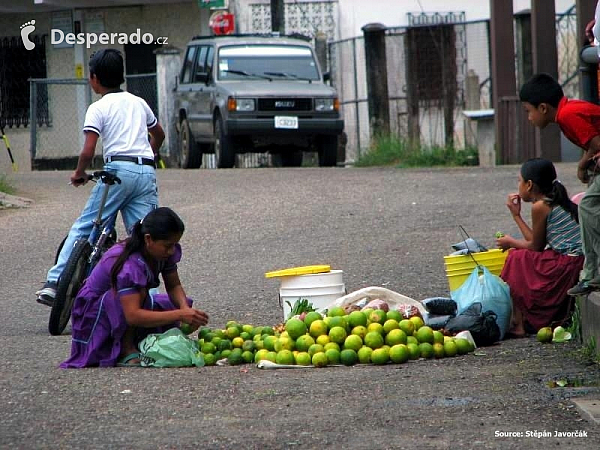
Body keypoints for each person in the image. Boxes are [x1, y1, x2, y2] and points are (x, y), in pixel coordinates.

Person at [36, 48, 165, 306]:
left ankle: (55, 281)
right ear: (122, 76)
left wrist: (79, 173)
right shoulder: (139, 102)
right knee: (143, 236)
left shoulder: (98, 107)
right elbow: (158, 134)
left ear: (94, 78)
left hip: (117, 172)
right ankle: (151, 302)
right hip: (146, 172)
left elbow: (88, 150)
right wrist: (147, 157)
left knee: (86, 226)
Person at [60, 207, 209, 368]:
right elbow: (133, 316)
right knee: (143, 295)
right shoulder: (127, 265)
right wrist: (179, 314)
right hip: (95, 310)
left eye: (175, 245)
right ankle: (126, 349)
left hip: (131, 302)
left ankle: (139, 339)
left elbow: (174, 285)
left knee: (173, 303)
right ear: (148, 239)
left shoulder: (161, 252)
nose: (172, 250)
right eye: (167, 246)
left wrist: (184, 309)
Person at [519, 73, 600, 296]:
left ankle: (594, 274)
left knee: (588, 207)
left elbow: (597, 144)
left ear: (543, 107)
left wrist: (582, 166)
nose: (529, 118)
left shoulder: (567, 115)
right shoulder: (567, 112)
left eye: (529, 111)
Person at [496, 158, 583, 337]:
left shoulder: (540, 206)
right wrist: (516, 215)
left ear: (529, 185)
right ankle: (520, 320)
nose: (518, 185)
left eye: (519, 181)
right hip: (571, 260)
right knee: (520, 255)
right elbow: (537, 242)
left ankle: (518, 324)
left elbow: (534, 247)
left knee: (516, 258)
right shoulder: (549, 200)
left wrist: (510, 242)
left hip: (568, 263)